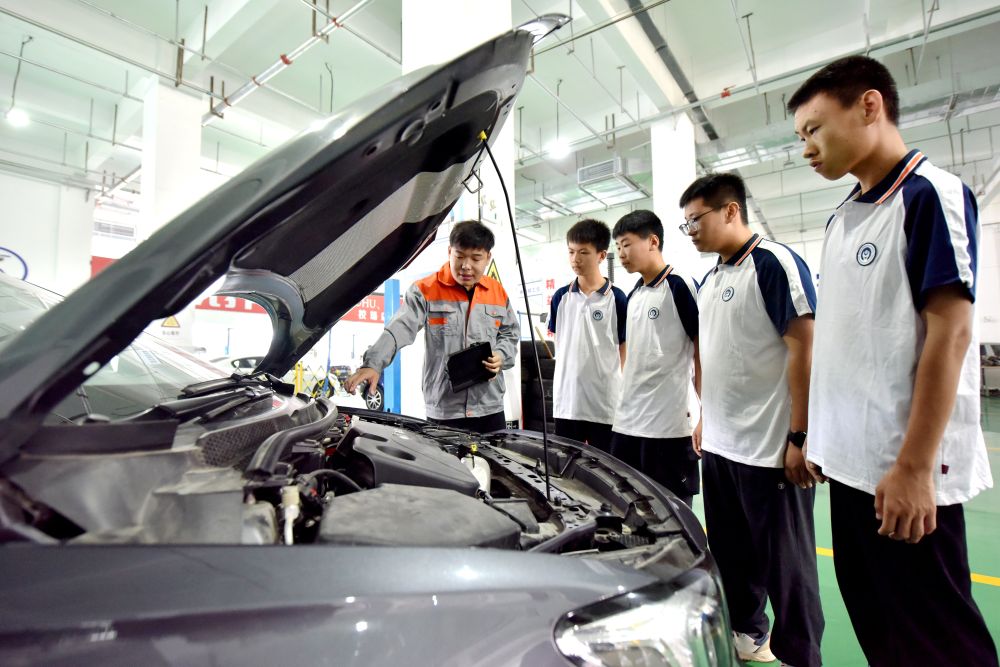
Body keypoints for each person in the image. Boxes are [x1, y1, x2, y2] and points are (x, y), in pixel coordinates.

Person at [788, 55, 997, 666]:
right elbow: (849, 341)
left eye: (814, 129)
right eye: (800, 137)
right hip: (850, 469)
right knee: (878, 626)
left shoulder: (929, 195)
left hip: (902, 471)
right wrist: (819, 437)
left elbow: (951, 334)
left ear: (869, 106)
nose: (806, 148)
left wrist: (914, 468)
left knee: (937, 639)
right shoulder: (842, 218)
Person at [680, 173, 823, 666]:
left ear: (730, 211)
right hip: (721, 446)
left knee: (788, 569)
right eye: (685, 224)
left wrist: (800, 435)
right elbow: (715, 356)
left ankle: (801, 655)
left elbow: (804, 348)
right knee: (732, 554)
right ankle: (748, 633)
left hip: (769, 448)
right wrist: (705, 418)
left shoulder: (773, 263)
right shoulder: (710, 280)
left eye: (695, 220)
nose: (690, 231)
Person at [345, 221, 519, 433]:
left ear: (488, 258)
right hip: (445, 409)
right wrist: (373, 363)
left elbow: (510, 334)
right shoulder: (425, 290)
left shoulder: (497, 292)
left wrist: (501, 355)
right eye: (460, 256)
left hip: (490, 407)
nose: (466, 265)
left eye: (475, 258)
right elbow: (399, 328)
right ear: (449, 252)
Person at [609, 210, 700, 506]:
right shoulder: (634, 294)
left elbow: (702, 348)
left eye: (627, 244)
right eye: (618, 247)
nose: (621, 254)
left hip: (668, 426)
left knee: (673, 509)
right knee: (630, 505)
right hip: (629, 422)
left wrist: (705, 412)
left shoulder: (679, 285)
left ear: (652, 242)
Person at [547, 219, 627, 452]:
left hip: (605, 405)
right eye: (571, 252)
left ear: (601, 255)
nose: (575, 259)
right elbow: (560, 342)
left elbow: (624, 348)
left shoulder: (617, 298)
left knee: (607, 468)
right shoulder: (561, 298)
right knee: (565, 467)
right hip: (567, 404)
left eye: (583, 252)